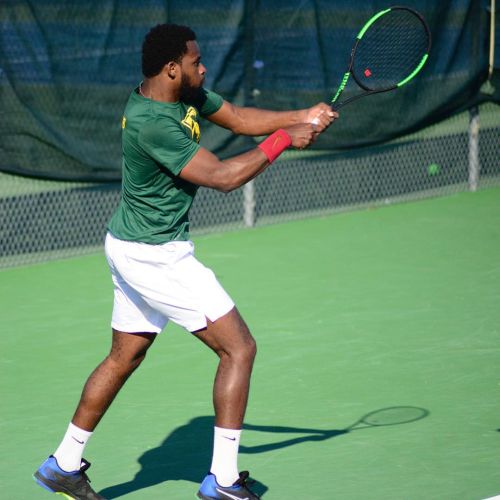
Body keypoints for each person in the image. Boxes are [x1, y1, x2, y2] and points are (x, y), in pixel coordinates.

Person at [34, 23, 337, 500]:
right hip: (156, 255)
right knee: (239, 348)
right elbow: (222, 177)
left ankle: (63, 464)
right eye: (196, 62)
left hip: (129, 244)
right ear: (172, 68)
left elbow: (236, 117)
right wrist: (284, 140)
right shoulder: (153, 122)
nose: (204, 67)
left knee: (124, 354)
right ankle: (222, 479)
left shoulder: (181, 93)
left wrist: (304, 114)